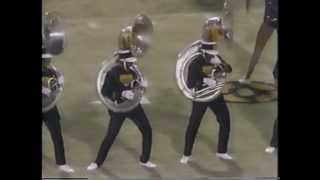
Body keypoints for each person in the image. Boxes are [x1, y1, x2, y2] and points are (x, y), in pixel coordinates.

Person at [87, 48, 156, 171]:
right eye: (129, 61)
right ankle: (97, 162)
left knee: (147, 129)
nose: (132, 63)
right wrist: (121, 94)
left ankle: (145, 160)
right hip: (118, 109)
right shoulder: (112, 72)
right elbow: (105, 91)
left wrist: (141, 86)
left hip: (133, 106)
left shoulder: (133, 70)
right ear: (123, 61)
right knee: (111, 136)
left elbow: (134, 85)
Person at [180, 17, 234, 164]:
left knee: (225, 120)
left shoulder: (215, 57)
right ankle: (186, 154)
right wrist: (204, 81)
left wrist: (221, 64)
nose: (212, 55)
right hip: (201, 96)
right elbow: (190, 83)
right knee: (194, 124)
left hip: (215, 95)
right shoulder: (196, 61)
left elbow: (229, 69)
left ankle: (222, 151)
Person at [42, 52, 74, 173]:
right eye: (45, 60)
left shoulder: (51, 71)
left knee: (57, 135)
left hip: (50, 107)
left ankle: (62, 163)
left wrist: (58, 85)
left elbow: (58, 82)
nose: (48, 62)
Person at [239, 0, 278, 83]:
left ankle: (247, 77)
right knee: (258, 48)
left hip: (270, 19)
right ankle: (247, 76)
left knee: (258, 48)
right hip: (270, 18)